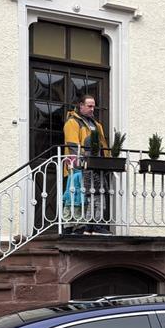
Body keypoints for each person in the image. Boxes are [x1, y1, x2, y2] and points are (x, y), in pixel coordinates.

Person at [62, 94, 111, 235]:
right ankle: (75, 227)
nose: (92, 109)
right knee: (78, 198)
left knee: (96, 197)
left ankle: (93, 226)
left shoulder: (97, 125)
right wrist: (82, 163)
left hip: (96, 167)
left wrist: (107, 162)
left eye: (93, 106)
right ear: (81, 106)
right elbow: (73, 146)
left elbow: (103, 146)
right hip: (78, 168)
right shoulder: (72, 122)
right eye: (89, 106)